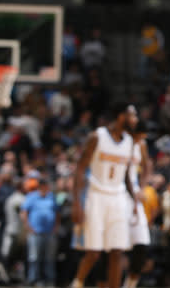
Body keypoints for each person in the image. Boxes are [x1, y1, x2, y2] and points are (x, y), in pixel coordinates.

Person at [70, 103, 136, 288]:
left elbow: (127, 175)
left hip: (118, 198)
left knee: (117, 251)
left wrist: (134, 201)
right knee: (93, 252)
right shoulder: (97, 136)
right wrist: (76, 202)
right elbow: (80, 168)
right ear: (121, 116)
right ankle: (77, 282)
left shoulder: (130, 141)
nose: (134, 120)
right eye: (131, 115)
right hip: (96, 196)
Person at [123, 118, 152, 288]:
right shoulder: (122, 142)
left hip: (133, 197)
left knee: (142, 245)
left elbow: (147, 164)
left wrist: (142, 187)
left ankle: (130, 284)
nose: (140, 140)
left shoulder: (140, 145)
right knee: (115, 248)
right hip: (117, 194)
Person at [21, 176, 59, 286]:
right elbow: (24, 213)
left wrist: (55, 227)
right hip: (35, 233)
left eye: (45, 185)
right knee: (34, 257)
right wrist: (29, 228)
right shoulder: (32, 197)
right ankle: (34, 279)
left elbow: (57, 213)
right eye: (42, 185)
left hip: (49, 232)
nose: (44, 187)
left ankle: (49, 279)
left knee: (49, 258)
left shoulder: (52, 197)